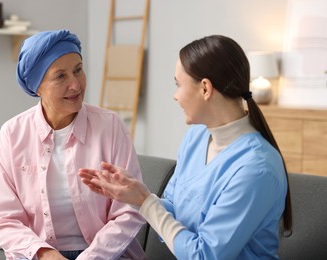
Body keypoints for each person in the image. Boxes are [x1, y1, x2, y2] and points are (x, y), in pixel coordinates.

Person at [79, 35, 292, 259]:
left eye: (178, 84)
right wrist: (134, 195)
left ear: (205, 88)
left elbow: (203, 255)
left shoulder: (256, 169)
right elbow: (174, 208)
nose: (175, 95)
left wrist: (145, 202)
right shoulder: (197, 137)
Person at [0, 29, 146, 260]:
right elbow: (4, 219)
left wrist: (90, 258)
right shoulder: (11, 135)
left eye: (78, 70)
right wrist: (45, 254)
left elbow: (129, 211)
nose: (75, 84)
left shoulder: (110, 127)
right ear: (37, 86)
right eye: (60, 76)